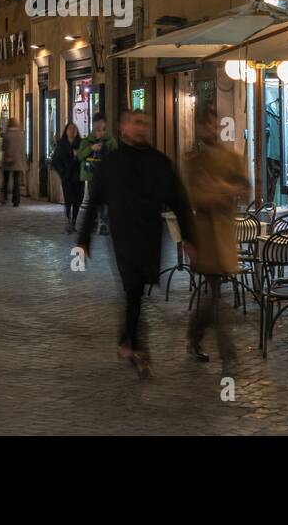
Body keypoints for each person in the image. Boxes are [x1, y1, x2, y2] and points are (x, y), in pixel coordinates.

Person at [77, 109, 194, 379]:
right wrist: (84, 240)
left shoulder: (160, 162)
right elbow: (94, 201)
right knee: (133, 289)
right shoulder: (111, 163)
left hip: (151, 236)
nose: (141, 128)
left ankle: (126, 341)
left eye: (145, 123)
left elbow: (179, 201)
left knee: (138, 291)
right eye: (136, 123)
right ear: (123, 128)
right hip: (123, 237)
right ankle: (138, 348)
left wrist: (189, 237)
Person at [183, 105, 250, 364]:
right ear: (199, 128)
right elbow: (198, 197)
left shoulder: (231, 158)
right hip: (205, 236)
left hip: (224, 234)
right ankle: (227, 350)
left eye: (214, 124)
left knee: (212, 294)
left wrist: (220, 187)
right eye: (206, 125)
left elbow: (245, 190)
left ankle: (195, 336)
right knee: (213, 293)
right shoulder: (194, 161)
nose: (210, 129)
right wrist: (226, 191)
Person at [78, 114, 117, 235]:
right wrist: (92, 148)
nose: (99, 126)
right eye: (97, 123)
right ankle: (94, 223)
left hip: (106, 175)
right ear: (93, 124)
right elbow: (80, 156)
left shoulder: (110, 140)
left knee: (105, 200)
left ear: (105, 124)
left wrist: (103, 148)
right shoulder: (86, 140)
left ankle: (104, 224)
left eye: (101, 123)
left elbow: (116, 156)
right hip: (91, 175)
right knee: (93, 198)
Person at [50, 122, 83, 232]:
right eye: (70, 128)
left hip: (79, 177)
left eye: (74, 128)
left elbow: (86, 158)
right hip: (67, 177)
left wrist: (78, 156)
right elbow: (55, 161)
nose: (72, 130)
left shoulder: (81, 143)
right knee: (68, 200)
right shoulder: (61, 144)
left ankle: (74, 221)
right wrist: (62, 172)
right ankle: (68, 220)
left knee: (78, 200)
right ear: (66, 131)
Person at [0, 117, 25, 207]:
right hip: (17, 162)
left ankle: (4, 198)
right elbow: (22, 149)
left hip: (7, 161)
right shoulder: (21, 135)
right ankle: (16, 200)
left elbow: (2, 148)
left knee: (5, 181)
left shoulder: (6, 134)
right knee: (16, 182)